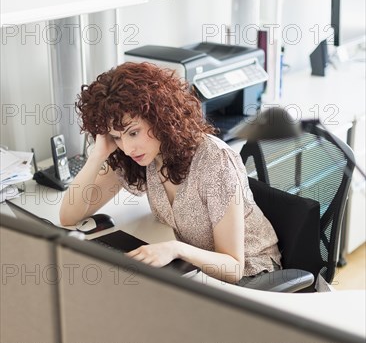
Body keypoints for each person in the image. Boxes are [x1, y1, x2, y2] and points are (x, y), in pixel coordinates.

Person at [60, 61, 281, 284]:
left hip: (252, 277)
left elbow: (233, 266)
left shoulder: (214, 161)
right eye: (117, 137)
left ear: (159, 117)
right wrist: (98, 155)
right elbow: (69, 216)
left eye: (133, 132)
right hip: (196, 271)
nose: (127, 148)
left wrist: (176, 249)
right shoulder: (138, 157)